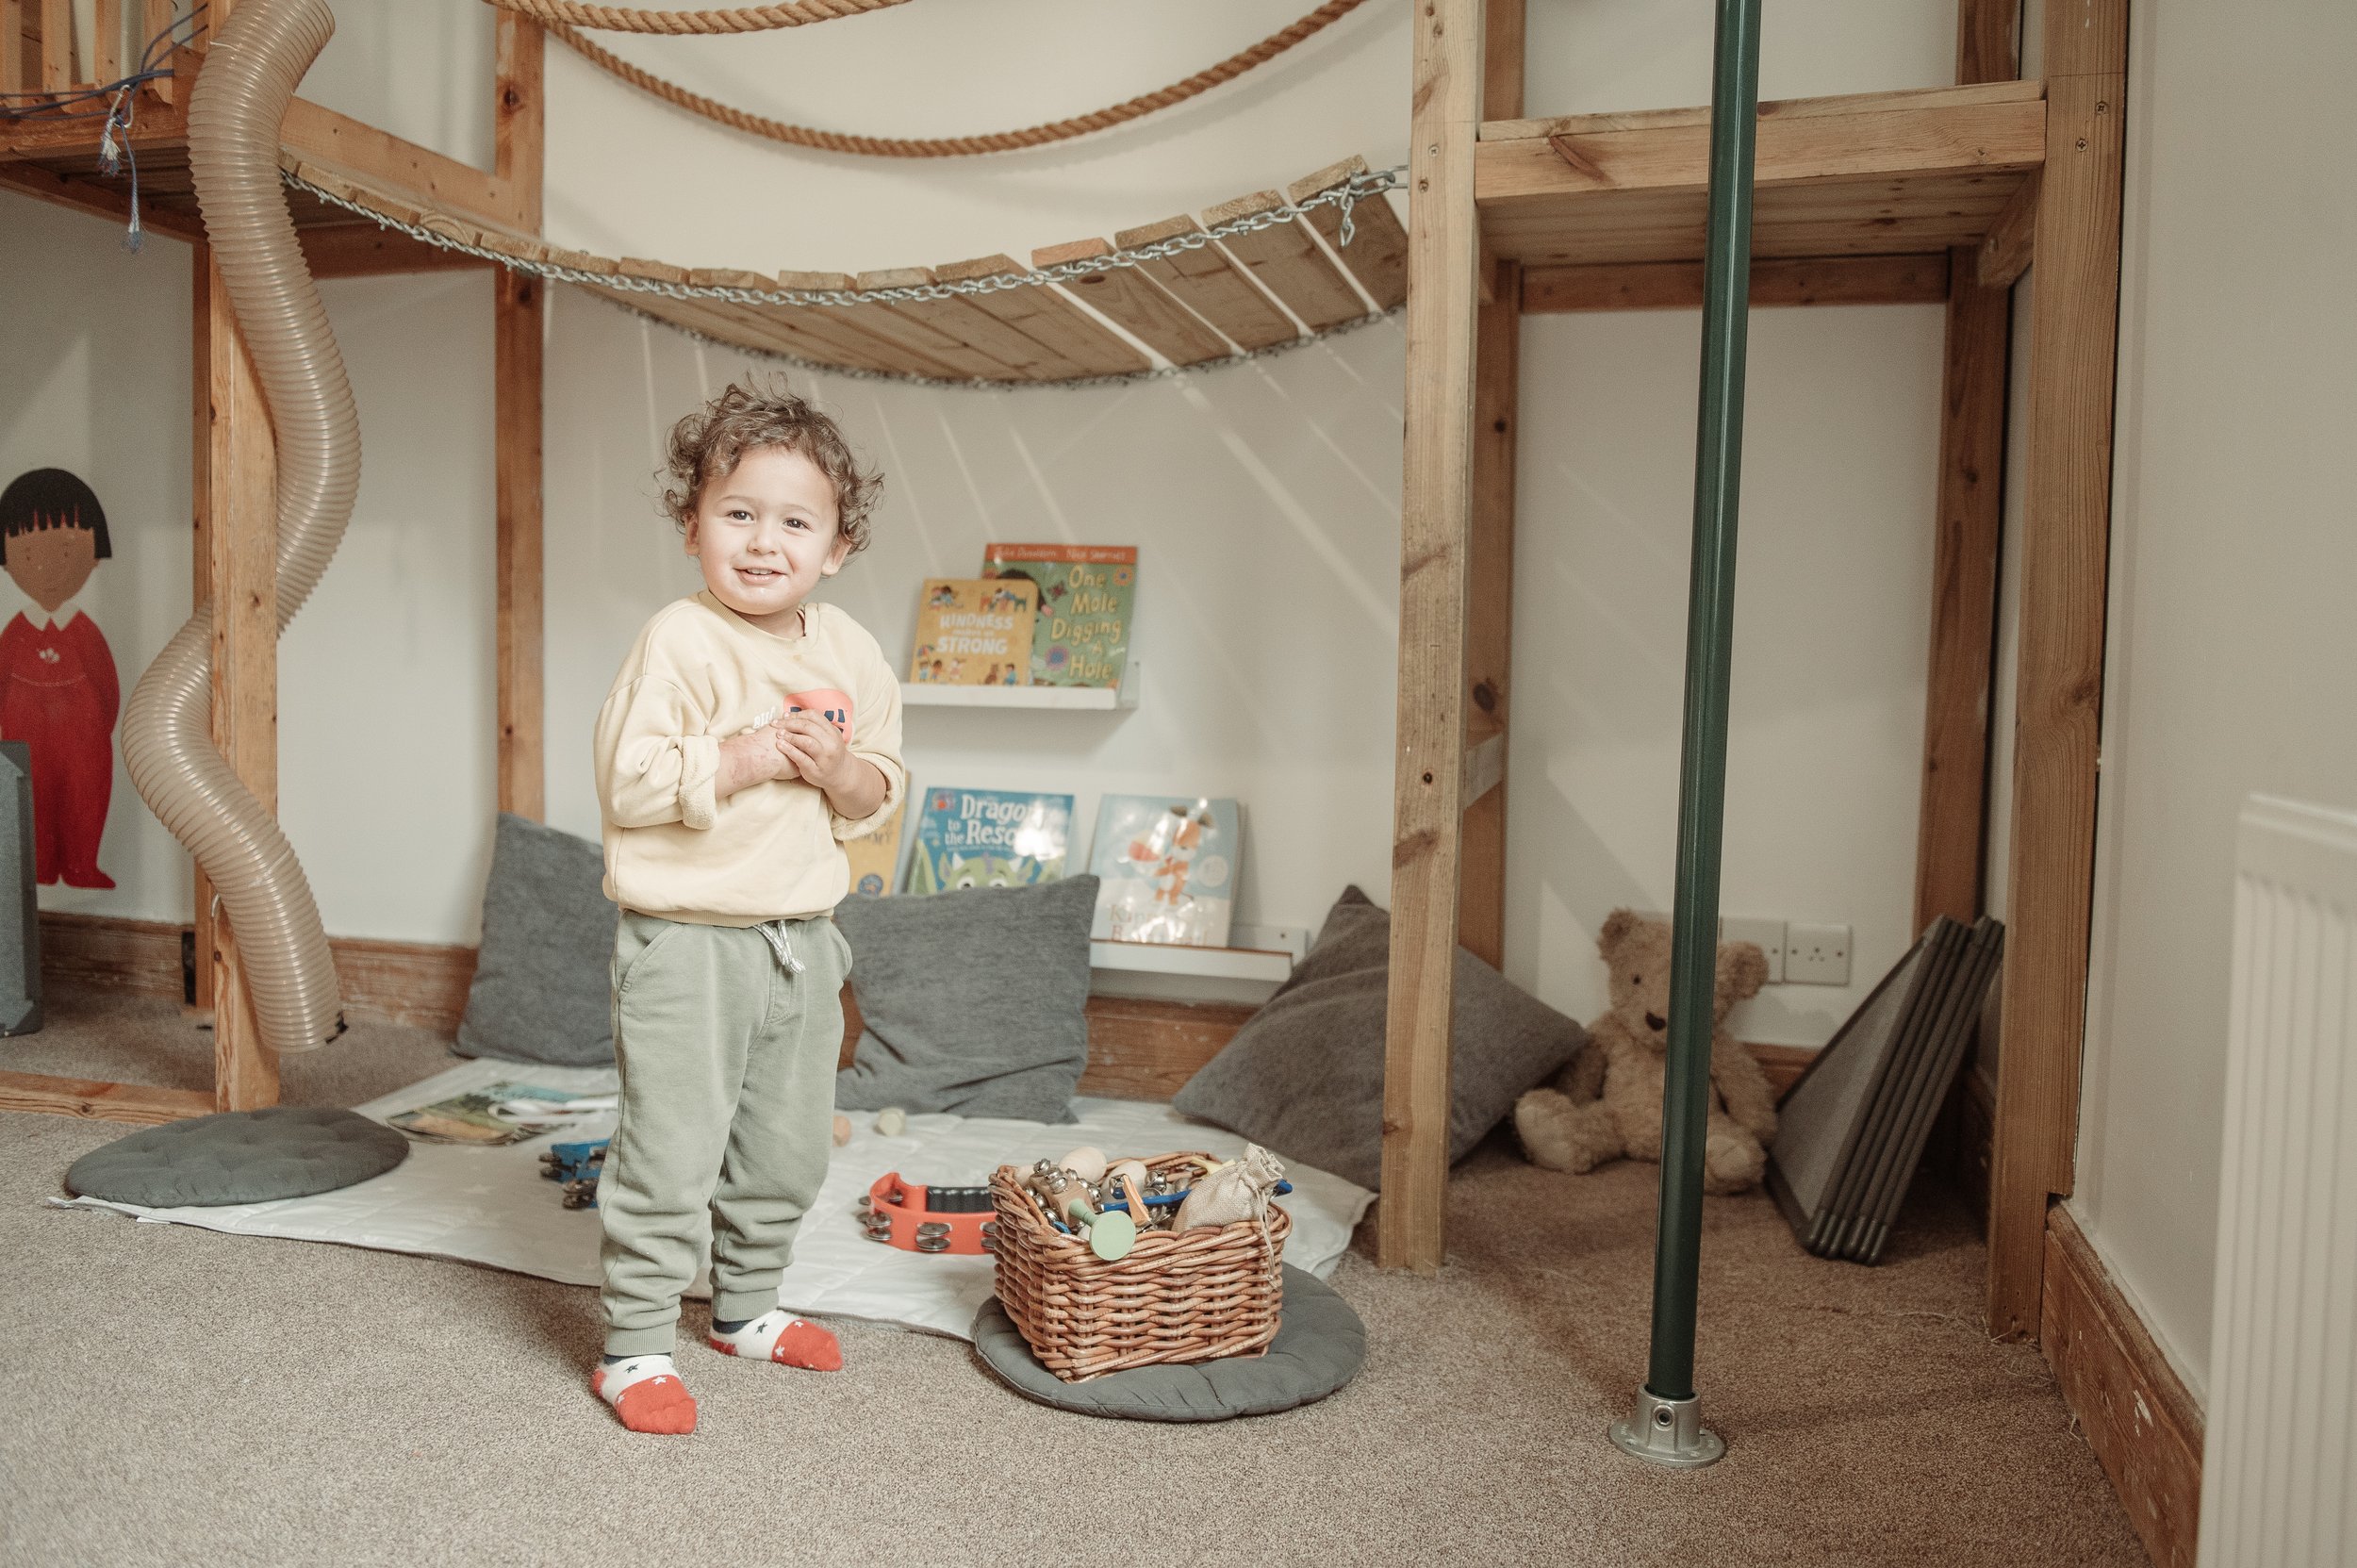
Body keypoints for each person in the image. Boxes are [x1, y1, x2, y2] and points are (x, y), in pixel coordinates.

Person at [590, 381, 902, 1435]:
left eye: (795, 522)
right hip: (686, 943)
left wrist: (841, 771)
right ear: (693, 527)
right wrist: (748, 754)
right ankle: (632, 1346)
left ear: (837, 548)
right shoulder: (678, 641)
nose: (764, 542)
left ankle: (746, 1306)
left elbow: (881, 796)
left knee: (786, 1148)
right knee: (669, 1151)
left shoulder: (852, 653)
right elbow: (628, 781)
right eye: (738, 514)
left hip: (804, 944)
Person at [0, 468, 119, 889]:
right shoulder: (14, 634)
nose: (47, 569)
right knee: (31, 801)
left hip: (84, 744)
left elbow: (108, 691)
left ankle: (82, 865)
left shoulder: (86, 633)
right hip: (24, 741)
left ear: (94, 554)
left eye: (66, 553)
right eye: (28, 556)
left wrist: (93, 734)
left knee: (85, 801)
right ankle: (39, 867)